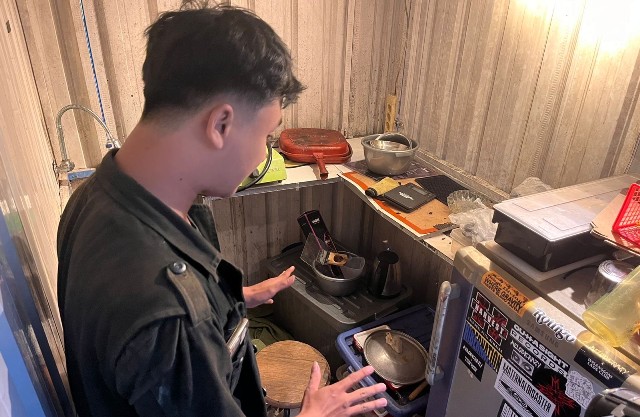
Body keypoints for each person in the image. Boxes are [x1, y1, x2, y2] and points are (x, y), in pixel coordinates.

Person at [56, 3, 388, 417]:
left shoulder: (94, 195)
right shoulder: (170, 316)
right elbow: (170, 329)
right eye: (266, 136)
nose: (262, 155)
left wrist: (233, 299)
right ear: (220, 125)